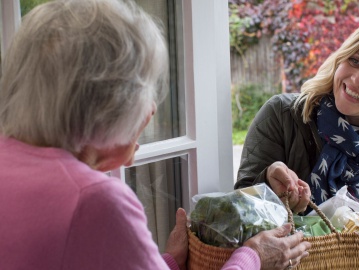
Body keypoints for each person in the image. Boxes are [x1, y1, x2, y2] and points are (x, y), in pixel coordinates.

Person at [0, 0, 311, 269]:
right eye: (146, 88)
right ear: (108, 103)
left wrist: (170, 261)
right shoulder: (96, 202)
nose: (151, 110)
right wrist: (252, 256)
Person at [235, 19, 359, 269]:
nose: (357, 80)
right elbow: (239, 213)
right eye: (355, 60)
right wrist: (268, 184)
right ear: (341, 57)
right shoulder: (282, 115)